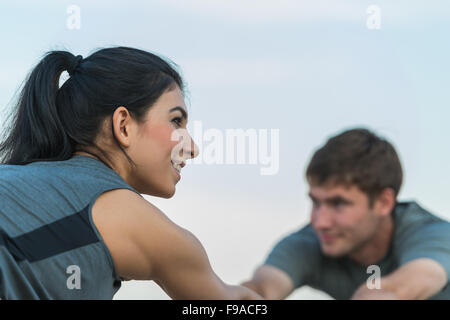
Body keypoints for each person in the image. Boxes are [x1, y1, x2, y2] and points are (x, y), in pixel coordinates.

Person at [0, 46, 260, 300]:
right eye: (176, 121)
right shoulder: (136, 220)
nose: (192, 148)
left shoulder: (18, 180)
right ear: (124, 126)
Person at [242, 128, 450, 300]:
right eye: (316, 202)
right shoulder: (311, 242)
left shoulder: (435, 235)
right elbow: (260, 291)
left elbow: (397, 290)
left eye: (338, 203)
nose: (320, 222)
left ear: (383, 202)